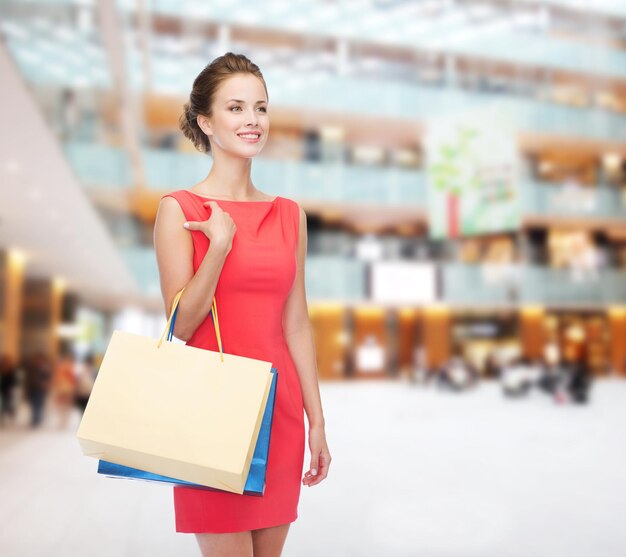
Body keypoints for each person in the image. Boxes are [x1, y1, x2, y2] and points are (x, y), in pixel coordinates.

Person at [153, 52, 331, 557]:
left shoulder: (288, 215)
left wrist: (317, 420)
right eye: (236, 108)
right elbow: (181, 325)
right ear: (206, 121)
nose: (252, 120)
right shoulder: (180, 210)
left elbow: (296, 324)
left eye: (260, 107)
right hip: (210, 412)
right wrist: (219, 247)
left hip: (280, 412)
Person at [23, 352, 52, 428]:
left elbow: (47, 378)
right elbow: (28, 379)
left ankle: (38, 419)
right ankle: (35, 419)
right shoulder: (31, 368)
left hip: (40, 389)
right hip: (33, 388)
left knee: (39, 404)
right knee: (33, 404)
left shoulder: (44, 368)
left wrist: (46, 385)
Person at [0, 353, 18, 427]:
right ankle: (3, 416)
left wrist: (13, 387)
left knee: (9, 402)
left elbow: (14, 380)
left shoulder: (12, 369)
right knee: (3, 403)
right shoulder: (1, 369)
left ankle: (10, 413)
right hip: (2, 388)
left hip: (9, 389)